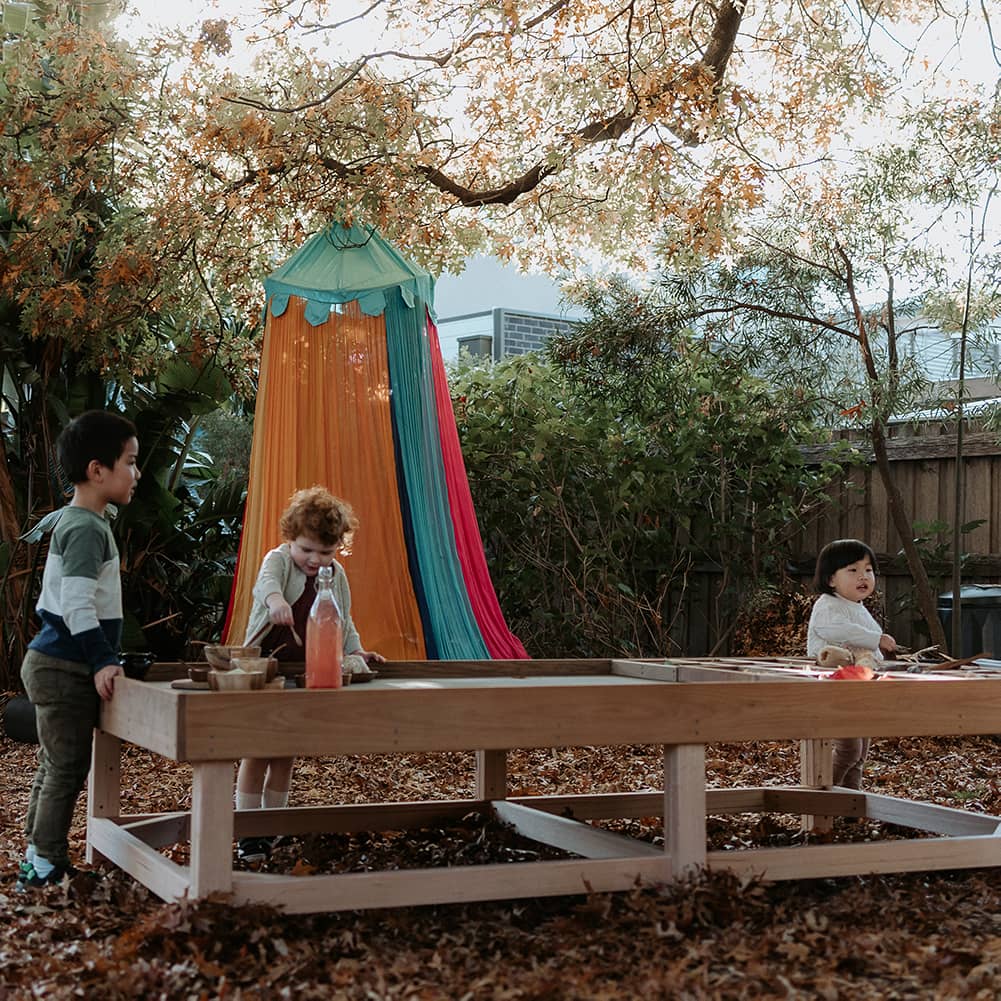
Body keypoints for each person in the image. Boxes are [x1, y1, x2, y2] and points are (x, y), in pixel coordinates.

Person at [17, 410, 141, 889]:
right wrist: (104, 659)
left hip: (54, 662)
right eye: (129, 462)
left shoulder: (77, 520)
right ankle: (46, 866)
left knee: (56, 763)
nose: (136, 473)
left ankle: (37, 854)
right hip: (64, 665)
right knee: (66, 767)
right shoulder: (87, 528)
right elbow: (76, 606)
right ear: (97, 470)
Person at [235, 486, 384, 863]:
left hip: (304, 671)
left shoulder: (335, 574)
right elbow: (265, 585)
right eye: (307, 550)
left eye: (325, 552)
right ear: (291, 540)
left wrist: (355, 651)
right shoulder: (280, 560)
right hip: (265, 666)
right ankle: (248, 831)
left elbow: (343, 619)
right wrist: (276, 602)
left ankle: (275, 825)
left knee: (286, 752)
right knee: (258, 752)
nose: (315, 560)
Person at [806, 538, 897, 790]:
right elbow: (840, 631)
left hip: (858, 690)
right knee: (848, 750)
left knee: (859, 755)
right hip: (834, 690)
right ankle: (822, 798)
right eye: (853, 570)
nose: (863, 577)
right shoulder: (827, 606)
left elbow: (867, 649)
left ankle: (850, 807)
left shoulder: (859, 608)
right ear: (831, 579)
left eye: (868, 570)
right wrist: (876, 638)